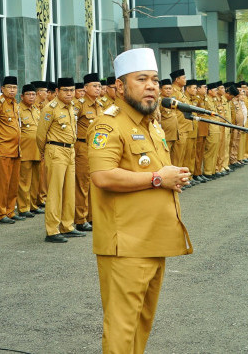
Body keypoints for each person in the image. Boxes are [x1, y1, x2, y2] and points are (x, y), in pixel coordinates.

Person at [88, 47, 192, 353]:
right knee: (122, 326)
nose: (151, 86)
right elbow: (103, 176)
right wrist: (159, 178)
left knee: (142, 323)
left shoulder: (152, 124)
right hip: (127, 245)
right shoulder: (109, 125)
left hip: (153, 239)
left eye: (155, 80)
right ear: (120, 86)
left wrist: (173, 176)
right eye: (142, 79)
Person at [36, 77, 85, 243]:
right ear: (57, 91)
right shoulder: (50, 108)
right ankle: (52, 230)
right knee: (55, 192)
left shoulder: (71, 107)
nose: (69, 93)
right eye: (66, 90)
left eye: (71, 90)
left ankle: (67, 225)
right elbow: (40, 135)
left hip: (70, 150)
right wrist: (45, 152)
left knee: (69, 191)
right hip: (55, 150)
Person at [0, 76, 23, 224]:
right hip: (3, 149)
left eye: (14, 88)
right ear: (2, 89)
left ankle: (10, 210)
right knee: (1, 184)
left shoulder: (15, 104)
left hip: (16, 150)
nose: (12, 90)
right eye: (9, 87)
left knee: (13, 184)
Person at [74, 73, 103, 232]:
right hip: (82, 147)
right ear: (85, 88)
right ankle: (80, 218)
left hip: (96, 148)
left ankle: (92, 217)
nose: (98, 89)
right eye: (94, 86)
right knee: (82, 183)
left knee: (94, 183)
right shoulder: (79, 105)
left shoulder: (99, 105)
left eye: (99, 86)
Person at [17, 83, 43, 218]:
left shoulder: (36, 109)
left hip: (37, 150)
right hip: (25, 150)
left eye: (33, 94)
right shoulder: (18, 110)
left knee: (35, 181)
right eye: (28, 94)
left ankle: (33, 205)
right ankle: (23, 207)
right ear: (22, 96)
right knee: (24, 181)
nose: (32, 97)